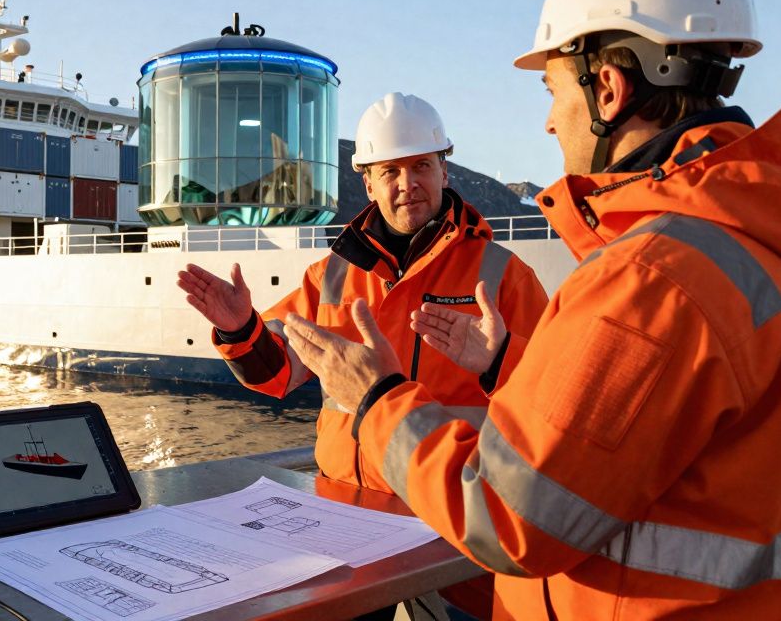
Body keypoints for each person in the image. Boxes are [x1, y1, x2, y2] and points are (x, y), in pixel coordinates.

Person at [284, 0, 781, 619]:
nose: (551, 124)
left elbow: (507, 515)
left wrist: (377, 400)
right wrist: (504, 366)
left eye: (553, 91)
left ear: (610, 89)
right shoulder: (766, 248)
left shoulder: (651, 277)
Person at [178, 92, 548, 618]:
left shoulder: (503, 275)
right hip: (348, 520)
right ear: (368, 181)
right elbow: (280, 372)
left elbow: (557, 399)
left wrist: (500, 358)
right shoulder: (331, 276)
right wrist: (241, 329)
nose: (408, 184)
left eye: (422, 165)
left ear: (444, 169)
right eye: (390, 171)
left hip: (458, 514)